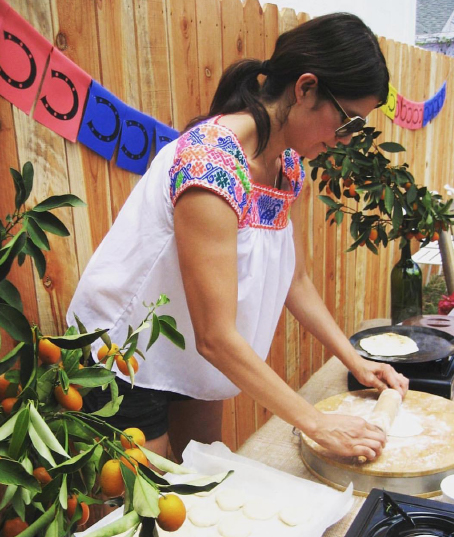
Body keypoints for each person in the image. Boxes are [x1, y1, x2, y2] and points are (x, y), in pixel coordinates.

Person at [69, 13, 408, 462]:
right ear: (306, 89)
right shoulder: (210, 166)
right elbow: (215, 336)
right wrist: (315, 422)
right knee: (146, 518)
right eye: (348, 123)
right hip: (123, 355)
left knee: (204, 479)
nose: (347, 141)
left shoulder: (287, 168)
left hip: (188, 347)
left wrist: (355, 360)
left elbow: (296, 280)